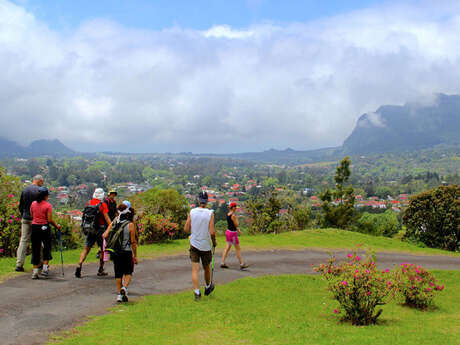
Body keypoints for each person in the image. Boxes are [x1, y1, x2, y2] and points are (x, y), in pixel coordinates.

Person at [184, 191, 217, 301]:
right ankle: (207, 286)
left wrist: (192, 233)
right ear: (207, 201)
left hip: (194, 244)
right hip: (206, 245)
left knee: (195, 270)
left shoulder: (192, 212)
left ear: (198, 200)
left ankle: (197, 292)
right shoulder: (210, 213)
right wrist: (214, 242)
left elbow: (186, 229)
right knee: (206, 267)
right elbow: (212, 232)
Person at [103, 201, 138, 303]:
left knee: (118, 273)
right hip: (126, 252)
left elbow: (105, 235)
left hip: (115, 252)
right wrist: (135, 255)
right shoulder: (130, 225)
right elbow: (133, 242)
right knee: (128, 272)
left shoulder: (114, 222)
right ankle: (125, 288)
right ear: (128, 213)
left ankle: (119, 295)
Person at [75, 188, 111, 278]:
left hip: (90, 229)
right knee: (102, 249)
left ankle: (79, 264)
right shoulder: (102, 205)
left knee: (86, 249)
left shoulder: (89, 203)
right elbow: (107, 219)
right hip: (100, 229)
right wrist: (111, 227)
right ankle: (100, 269)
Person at [30, 187, 61, 279]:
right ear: (45, 196)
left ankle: (35, 272)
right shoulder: (48, 205)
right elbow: (50, 219)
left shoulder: (33, 204)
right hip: (44, 227)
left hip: (35, 227)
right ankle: (44, 269)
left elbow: (32, 215)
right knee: (46, 247)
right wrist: (57, 226)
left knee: (35, 248)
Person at [16, 175, 44, 272]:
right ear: (39, 181)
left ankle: (19, 264)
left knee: (23, 240)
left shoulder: (25, 190)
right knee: (38, 241)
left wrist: (23, 214)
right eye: (42, 182)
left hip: (25, 217)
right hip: (36, 219)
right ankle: (39, 262)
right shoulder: (40, 191)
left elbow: (21, 205)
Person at [220, 202, 248, 270]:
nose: (236, 208)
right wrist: (237, 220)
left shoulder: (228, 214)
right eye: (235, 207)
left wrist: (238, 230)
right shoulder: (233, 216)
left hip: (228, 232)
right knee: (238, 249)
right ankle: (241, 264)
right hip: (233, 234)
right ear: (233, 208)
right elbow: (236, 224)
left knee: (227, 248)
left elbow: (232, 225)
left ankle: (222, 262)